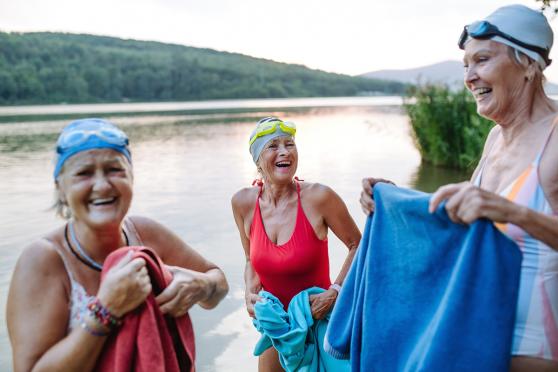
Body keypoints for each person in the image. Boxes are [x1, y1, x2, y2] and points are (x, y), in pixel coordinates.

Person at [361, 5, 558, 371]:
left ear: (529, 63)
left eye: (482, 60)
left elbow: (507, 212)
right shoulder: (495, 137)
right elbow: (466, 220)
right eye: (466, 65)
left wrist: (513, 212)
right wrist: (395, 204)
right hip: (472, 336)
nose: (470, 77)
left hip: (535, 349)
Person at [7, 118, 229, 371]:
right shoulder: (44, 259)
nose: (102, 185)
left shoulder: (145, 233)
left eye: (114, 169)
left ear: (131, 176)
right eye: (84, 173)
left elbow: (218, 281)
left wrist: (203, 286)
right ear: (60, 187)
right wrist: (106, 310)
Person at [231, 117, 361, 371]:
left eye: (289, 144)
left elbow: (359, 244)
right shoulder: (242, 203)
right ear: (258, 160)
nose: (284, 151)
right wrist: (249, 293)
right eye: (273, 146)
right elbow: (250, 260)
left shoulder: (319, 197)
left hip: (320, 325)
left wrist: (335, 292)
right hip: (277, 332)